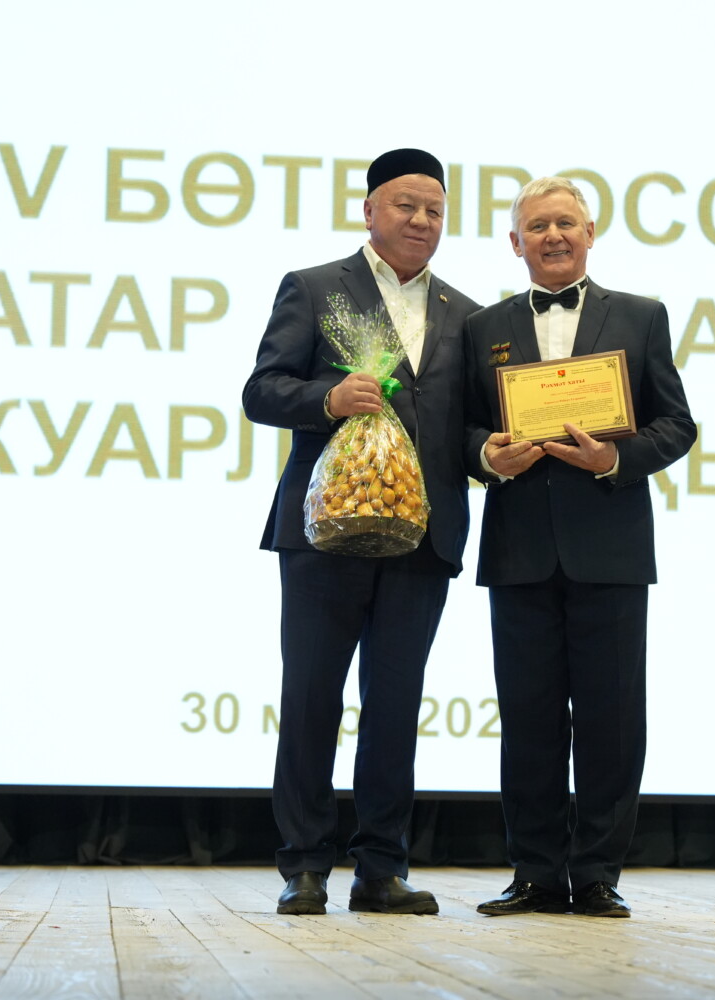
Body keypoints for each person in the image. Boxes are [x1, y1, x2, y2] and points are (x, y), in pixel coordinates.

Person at [242, 148, 479, 916]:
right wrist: (328, 399)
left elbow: (463, 426)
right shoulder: (315, 288)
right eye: (406, 205)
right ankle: (304, 865)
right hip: (326, 529)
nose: (421, 220)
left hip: (422, 533)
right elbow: (261, 391)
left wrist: (490, 455)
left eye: (435, 210)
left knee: (395, 707)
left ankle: (381, 868)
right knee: (312, 697)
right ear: (369, 209)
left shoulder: (467, 313)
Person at [463, 176, 695, 918]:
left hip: (611, 548)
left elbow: (677, 424)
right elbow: (461, 429)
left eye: (566, 222)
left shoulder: (642, 316)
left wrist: (615, 458)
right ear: (516, 242)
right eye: (538, 226)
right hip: (519, 552)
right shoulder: (482, 326)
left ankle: (597, 874)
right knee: (528, 720)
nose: (554, 236)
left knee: (612, 721)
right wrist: (486, 454)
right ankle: (534, 873)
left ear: (591, 234)